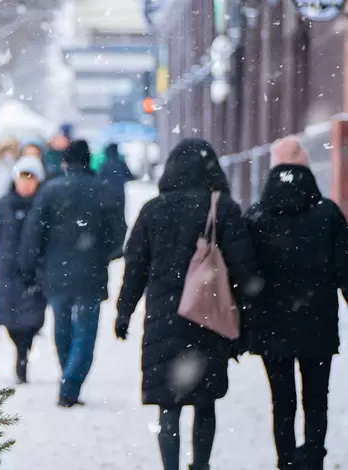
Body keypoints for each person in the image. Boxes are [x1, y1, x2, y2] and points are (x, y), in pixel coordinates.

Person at [114, 138, 258, 470]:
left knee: (169, 405)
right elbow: (244, 270)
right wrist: (246, 322)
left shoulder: (153, 210)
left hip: (165, 322)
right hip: (210, 318)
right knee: (205, 403)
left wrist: (125, 311)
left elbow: (135, 266)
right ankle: (201, 466)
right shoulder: (222, 208)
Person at [244, 136, 348, 470]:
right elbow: (345, 268)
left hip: (272, 325)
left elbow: (246, 272)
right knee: (317, 399)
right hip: (317, 323)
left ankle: (286, 461)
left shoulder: (258, 214)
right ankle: (313, 457)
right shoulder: (328, 213)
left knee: (282, 400)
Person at [19, 140, 126, 407]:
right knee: (86, 332)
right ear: (88, 161)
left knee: (62, 327)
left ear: (65, 162)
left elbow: (33, 234)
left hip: (56, 274)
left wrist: (30, 266)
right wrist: (104, 255)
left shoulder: (49, 191)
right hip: (91, 273)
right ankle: (71, 382)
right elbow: (118, 235)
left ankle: (68, 377)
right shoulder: (103, 191)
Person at [0, 156, 49, 384]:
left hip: (33, 275)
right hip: (7, 272)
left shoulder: (43, 205)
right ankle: (21, 355)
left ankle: (23, 358)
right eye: (23, 178)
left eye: (31, 179)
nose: (26, 183)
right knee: (11, 322)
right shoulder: (3, 205)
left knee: (30, 323)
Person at [98, 142, 135, 210]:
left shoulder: (104, 165)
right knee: (119, 215)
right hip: (120, 194)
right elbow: (130, 176)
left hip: (107, 194)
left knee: (108, 215)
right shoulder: (121, 163)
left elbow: (99, 179)